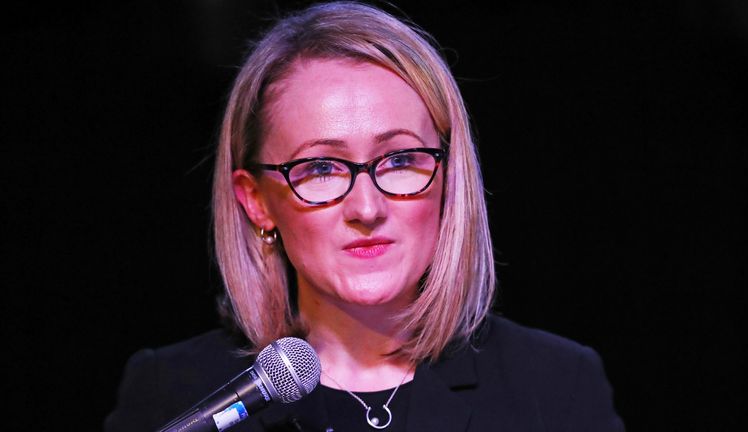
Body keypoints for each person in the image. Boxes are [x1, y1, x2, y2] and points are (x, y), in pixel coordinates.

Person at [105, 2, 625, 431]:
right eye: (322, 168)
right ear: (256, 200)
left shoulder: (557, 387)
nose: (367, 208)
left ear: (449, 179)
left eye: (399, 161)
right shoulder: (172, 391)